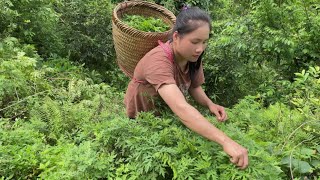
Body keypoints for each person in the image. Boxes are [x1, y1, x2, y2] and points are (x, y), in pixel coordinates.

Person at [124, 6, 249, 169]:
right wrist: (225, 141)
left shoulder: (192, 57)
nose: (200, 48)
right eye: (195, 41)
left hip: (165, 118)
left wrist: (210, 104)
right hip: (140, 120)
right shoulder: (158, 61)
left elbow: (194, 87)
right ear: (176, 37)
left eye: (204, 42)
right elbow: (181, 108)